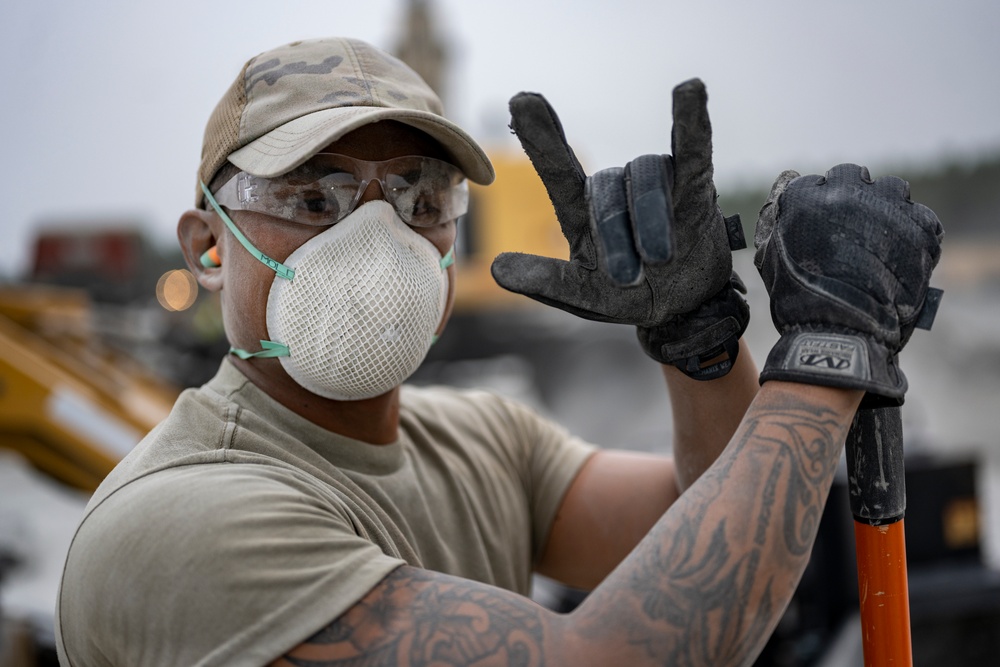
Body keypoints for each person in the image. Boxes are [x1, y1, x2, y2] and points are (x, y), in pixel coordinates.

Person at [55, 36, 943, 666]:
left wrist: (702, 348)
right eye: (314, 201)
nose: (374, 236)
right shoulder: (172, 527)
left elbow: (716, 528)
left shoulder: (480, 441)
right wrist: (828, 359)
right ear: (209, 248)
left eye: (417, 198)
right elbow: (623, 653)